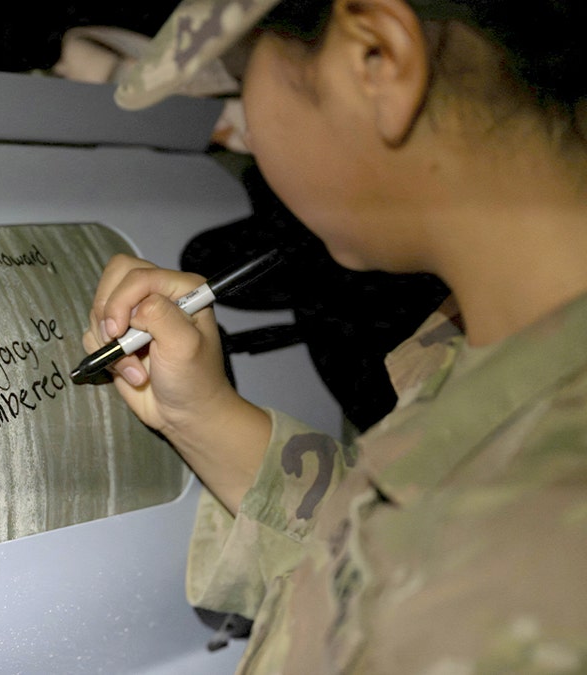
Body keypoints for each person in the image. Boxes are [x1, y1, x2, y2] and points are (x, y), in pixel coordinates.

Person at [82, 0, 587, 671]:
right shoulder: (504, 343)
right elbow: (379, 557)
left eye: (238, 77)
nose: (247, 134)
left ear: (378, 59)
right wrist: (203, 414)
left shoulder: (522, 558)